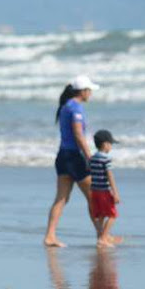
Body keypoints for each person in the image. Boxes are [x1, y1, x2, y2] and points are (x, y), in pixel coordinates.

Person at [43, 75, 100, 247]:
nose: (91, 94)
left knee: (61, 199)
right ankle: (102, 236)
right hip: (74, 158)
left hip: (63, 156)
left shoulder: (65, 106)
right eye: (89, 90)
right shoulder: (76, 108)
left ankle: (50, 236)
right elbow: (78, 135)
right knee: (93, 197)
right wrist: (89, 157)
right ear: (83, 91)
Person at [89, 130, 122, 247]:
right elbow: (110, 176)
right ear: (105, 144)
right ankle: (103, 238)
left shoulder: (92, 158)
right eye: (111, 144)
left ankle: (101, 236)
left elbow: (91, 173)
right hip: (104, 191)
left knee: (101, 215)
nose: (111, 146)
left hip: (95, 191)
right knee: (113, 215)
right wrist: (115, 192)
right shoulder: (106, 159)